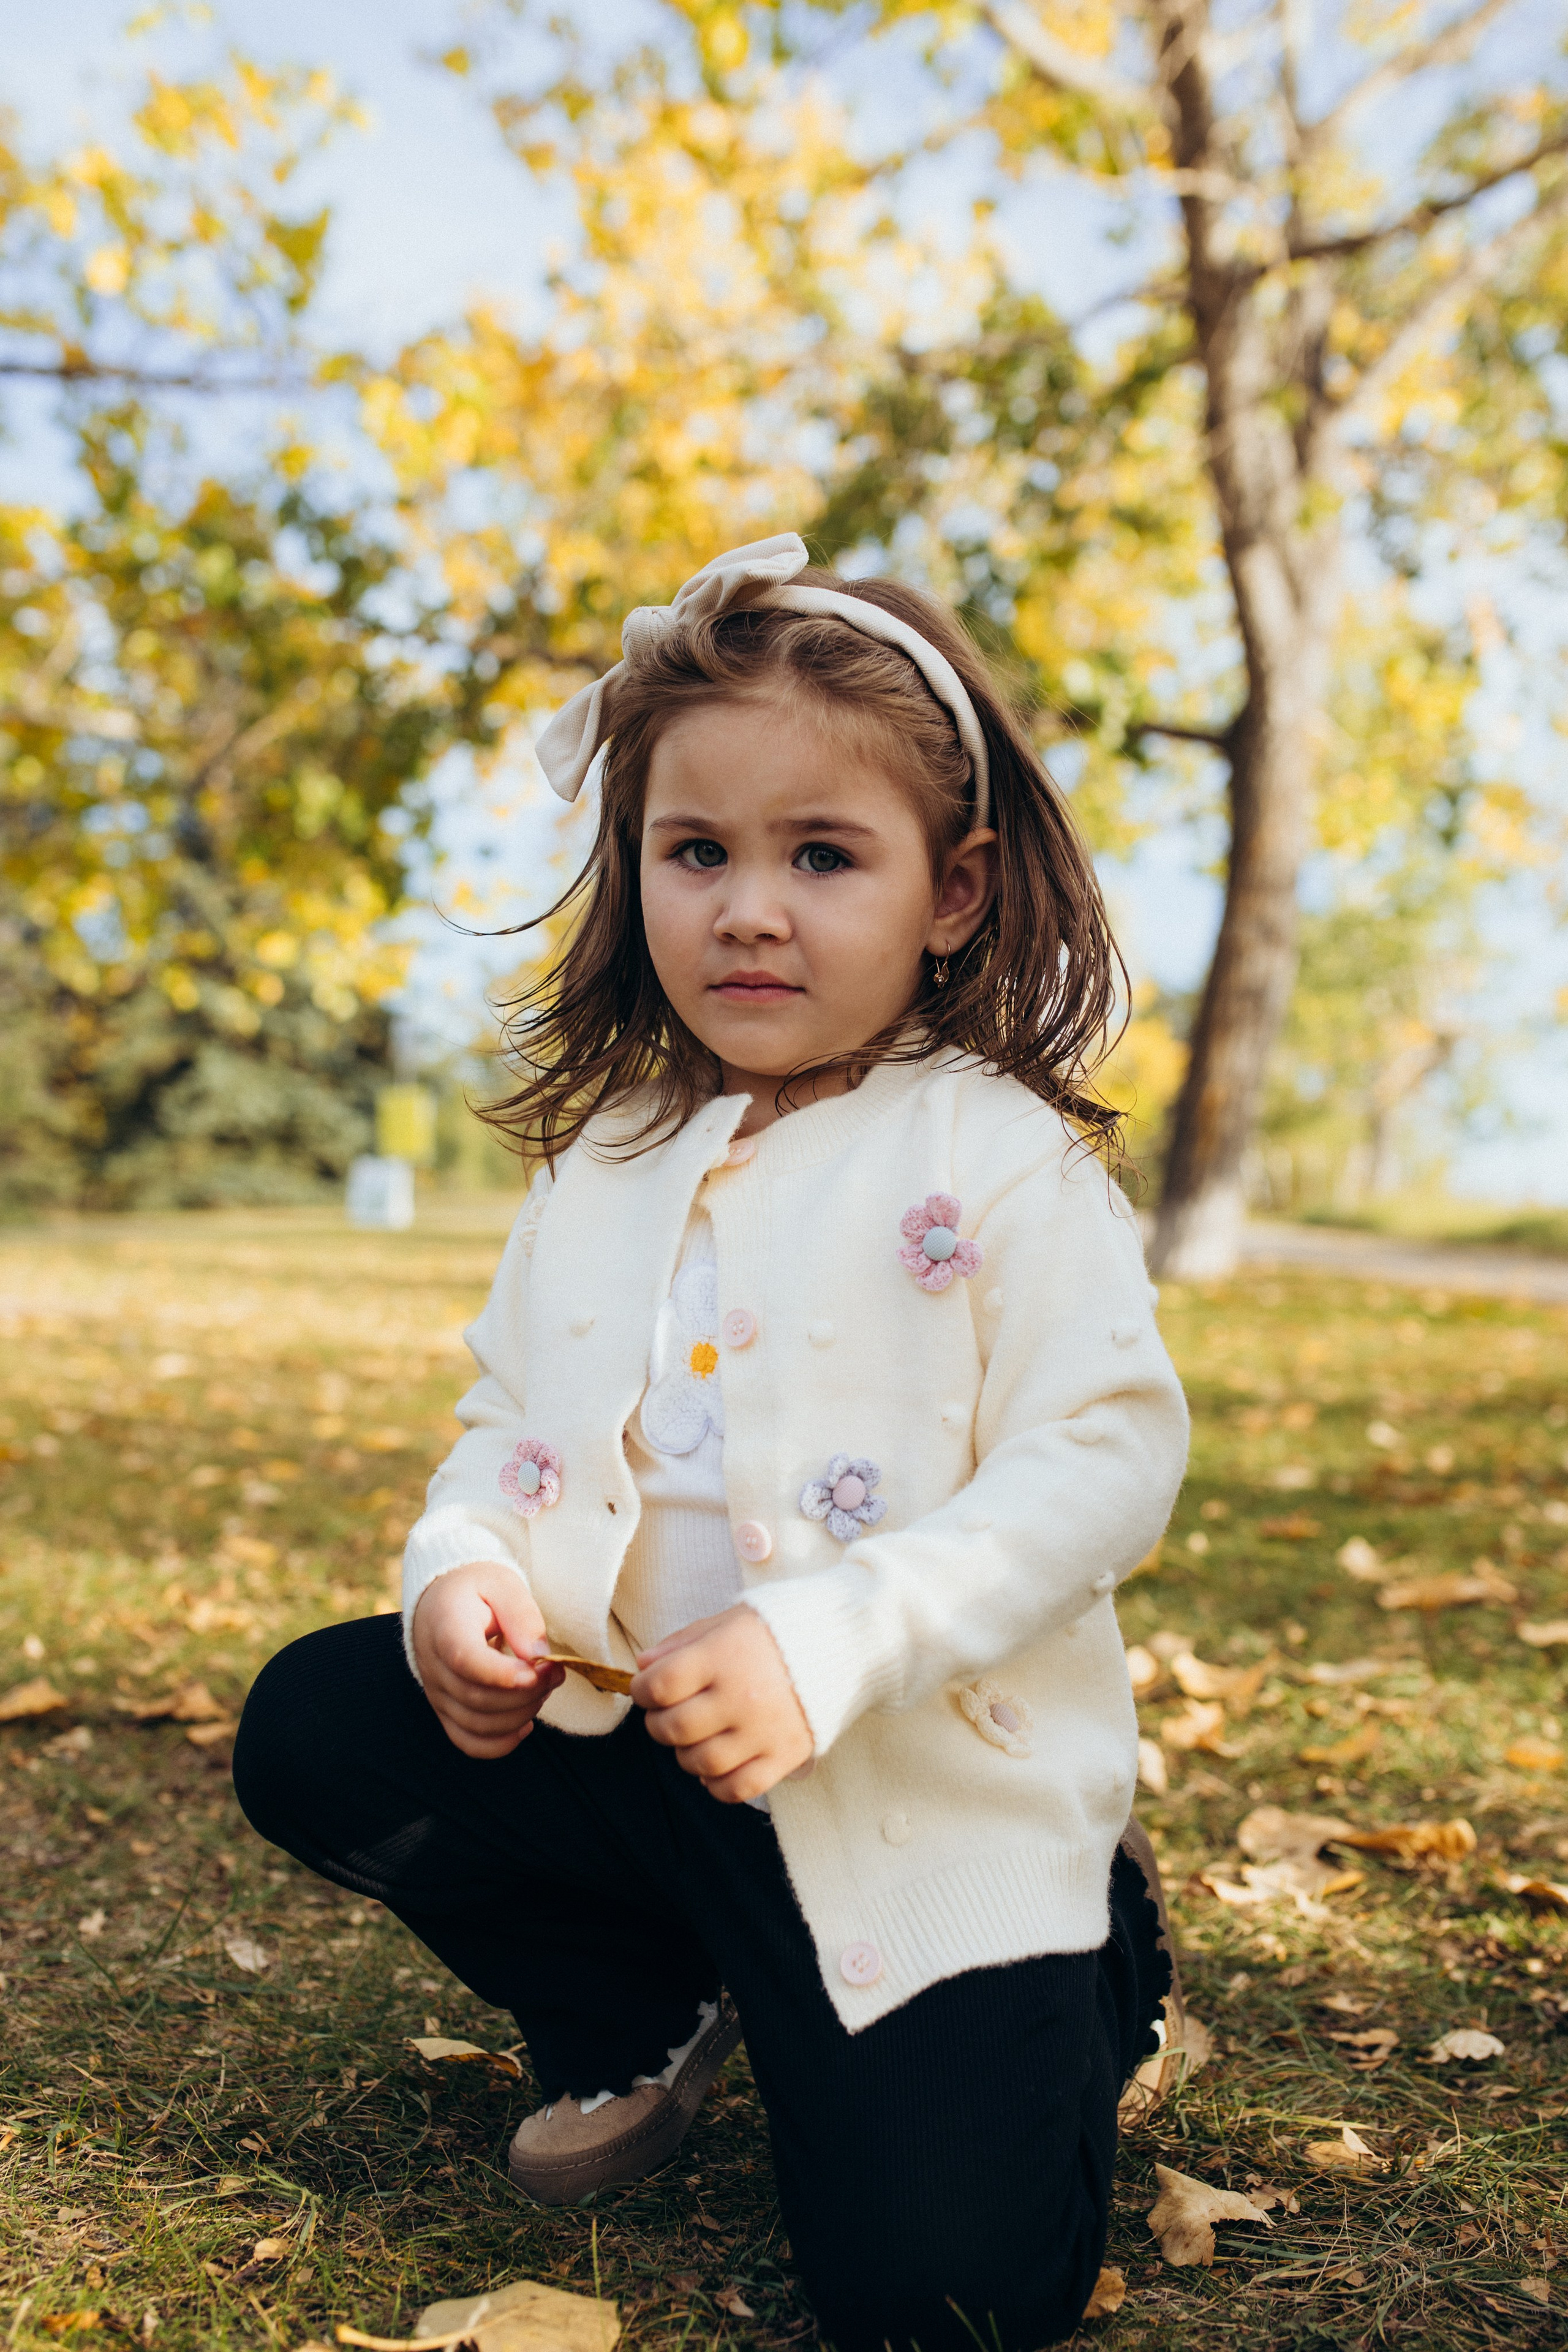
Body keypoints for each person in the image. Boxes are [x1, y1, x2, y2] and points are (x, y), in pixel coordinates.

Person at [233, 533, 1191, 2351]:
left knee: (940, 2297)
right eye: (699, 853)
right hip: (630, 1755)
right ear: (640, 871)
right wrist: (460, 1580)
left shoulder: (999, 1157)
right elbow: (503, 1427)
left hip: (915, 1803)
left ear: (956, 892)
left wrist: (833, 1641)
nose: (750, 908)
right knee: (316, 1723)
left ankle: (1096, 1968)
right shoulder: (603, 1158)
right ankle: (635, 2002)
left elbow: (1105, 1459)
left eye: (822, 856)